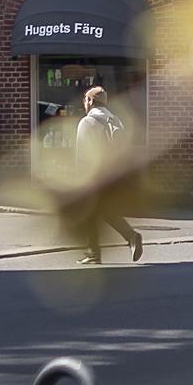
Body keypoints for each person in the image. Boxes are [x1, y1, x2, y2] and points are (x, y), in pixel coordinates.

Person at [73, 84, 144, 264]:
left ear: (90, 101)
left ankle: (97, 252)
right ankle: (128, 238)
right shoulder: (115, 120)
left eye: (85, 99)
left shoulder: (87, 122)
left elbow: (83, 153)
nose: (84, 103)